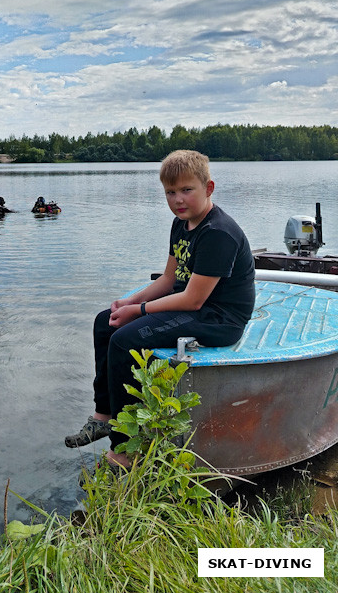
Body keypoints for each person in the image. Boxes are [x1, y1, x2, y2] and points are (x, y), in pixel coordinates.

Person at [64, 149, 255, 470]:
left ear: (208, 188)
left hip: (219, 318)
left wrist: (139, 310)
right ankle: (104, 416)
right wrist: (128, 302)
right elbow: (169, 280)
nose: (178, 199)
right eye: (170, 192)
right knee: (104, 322)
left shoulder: (218, 233)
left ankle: (123, 452)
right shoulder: (181, 225)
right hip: (192, 308)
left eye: (186, 190)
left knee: (124, 340)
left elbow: (194, 299)